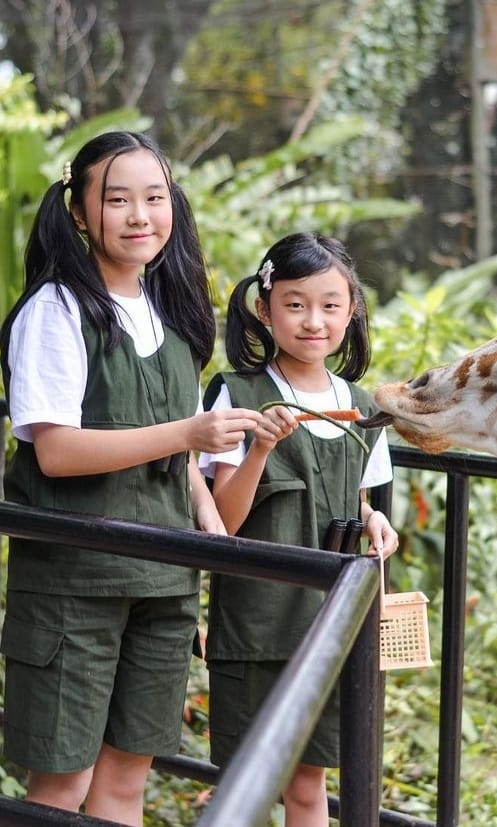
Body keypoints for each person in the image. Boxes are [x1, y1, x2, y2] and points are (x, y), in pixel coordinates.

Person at [0, 130, 262, 825]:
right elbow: (55, 450)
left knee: (125, 781)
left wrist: (209, 523)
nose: (141, 214)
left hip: (165, 582)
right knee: (60, 787)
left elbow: (181, 450)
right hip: (73, 585)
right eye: (118, 199)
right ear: (80, 213)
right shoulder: (54, 311)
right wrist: (188, 434)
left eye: (155, 196)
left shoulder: (172, 313)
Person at [198, 232, 399, 827]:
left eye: (331, 305)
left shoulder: (362, 405)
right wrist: (260, 446)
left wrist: (375, 519)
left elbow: (357, 499)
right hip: (257, 623)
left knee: (310, 788)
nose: (314, 321)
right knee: (246, 784)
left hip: (333, 627)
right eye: (295, 304)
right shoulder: (236, 393)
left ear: (352, 309)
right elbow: (223, 522)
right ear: (264, 309)